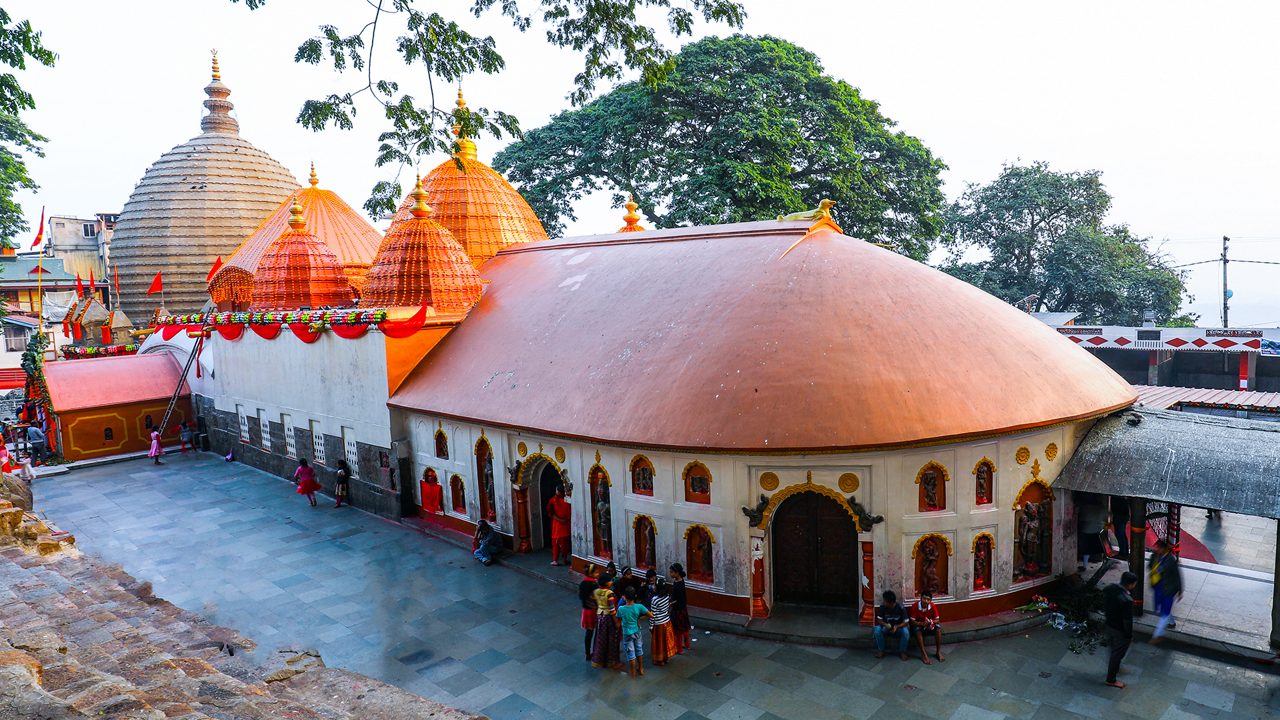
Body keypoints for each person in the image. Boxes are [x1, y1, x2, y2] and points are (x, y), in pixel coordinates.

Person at [1103, 571, 1137, 688]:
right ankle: (1111, 679)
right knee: (1117, 654)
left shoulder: (1110, 589)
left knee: (1113, 649)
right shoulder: (1127, 600)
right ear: (1131, 584)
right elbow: (1127, 620)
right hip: (1119, 630)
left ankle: (1116, 667)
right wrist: (1128, 635)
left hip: (1109, 625)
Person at [1148, 540, 1183, 641]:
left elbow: (1177, 576)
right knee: (1159, 608)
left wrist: (1180, 591)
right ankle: (1171, 622)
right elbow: (1150, 566)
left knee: (1164, 611)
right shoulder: (1155, 556)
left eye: (1159, 548)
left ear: (1164, 549)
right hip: (1158, 586)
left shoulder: (1171, 560)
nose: (1157, 549)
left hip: (1169, 588)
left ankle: (1157, 635)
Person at [617, 587, 650, 678]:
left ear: (624, 597)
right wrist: (638, 618)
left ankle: (633, 672)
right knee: (639, 650)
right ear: (635, 596)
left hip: (627, 633)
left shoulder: (621, 609)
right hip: (637, 631)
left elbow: (618, 622)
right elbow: (651, 615)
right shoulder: (639, 606)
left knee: (630, 652)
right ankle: (641, 668)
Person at [590, 575, 622, 670]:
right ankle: (612, 661)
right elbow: (612, 609)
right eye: (610, 581)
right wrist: (616, 622)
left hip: (600, 617)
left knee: (601, 639)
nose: (611, 582)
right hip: (609, 619)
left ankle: (600, 659)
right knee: (612, 639)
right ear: (607, 583)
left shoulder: (595, 592)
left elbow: (593, 603)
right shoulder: (609, 593)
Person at [909, 591, 945, 664]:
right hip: (919, 625)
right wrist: (920, 623)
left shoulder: (932, 606)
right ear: (920, 598)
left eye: (928, 599)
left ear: (930, 601)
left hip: (929, 624)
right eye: (924, 598)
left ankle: (938, 652)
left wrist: (930, 622)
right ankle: (923, 654)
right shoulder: (915, 606)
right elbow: (912, 621)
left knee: (938, 629)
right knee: (917, 631)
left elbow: (937, 619)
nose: (926, 601)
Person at [873, 590, 910, 660]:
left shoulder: (901, 608)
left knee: (906, 632)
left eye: (885, 601)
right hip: (886, 628)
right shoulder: (883, 607)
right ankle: (881, 650)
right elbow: (879, 619)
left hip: (898, 629)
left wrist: (897, 627)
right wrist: (885, 624)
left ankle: (902, 651)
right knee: (877, 630)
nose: (883, 602)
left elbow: (906, 622)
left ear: (891, 603)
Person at [650, 579, 678, 666]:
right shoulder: (667, 597)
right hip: (667, 621)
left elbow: (653, 614)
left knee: (659, 643)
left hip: (658, 624)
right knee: (666, 641)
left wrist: (651, 626)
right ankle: (666, 658)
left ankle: (660, 660)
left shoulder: (654, 600)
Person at [546, 484, 572, 566]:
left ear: (558, 491)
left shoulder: (553, 500)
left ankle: (555, 560)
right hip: (566, 525)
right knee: (565, 544)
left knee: (556, 544)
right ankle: (564, 559)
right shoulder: (568, 500)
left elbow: (550, 513)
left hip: (558, 526)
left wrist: (559, 519)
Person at [669, 563, 691, 653]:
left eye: (671, 572)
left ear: (677, 573)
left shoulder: (677, 584)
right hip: (683, 608)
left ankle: (679, 649)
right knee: (685, 628)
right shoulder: (681, 581)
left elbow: (676, 599)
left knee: (677, 630)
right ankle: (687, 645)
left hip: (677, 610)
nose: (670, 574)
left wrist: (670, 603)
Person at [578, 573, 598, 661]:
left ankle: (587, 653)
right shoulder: (594, 585)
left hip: (586, 612)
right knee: (597, 633)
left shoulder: (583, 583)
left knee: (589, 633)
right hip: (594, 612)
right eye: (596, 572)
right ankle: (596, 651)